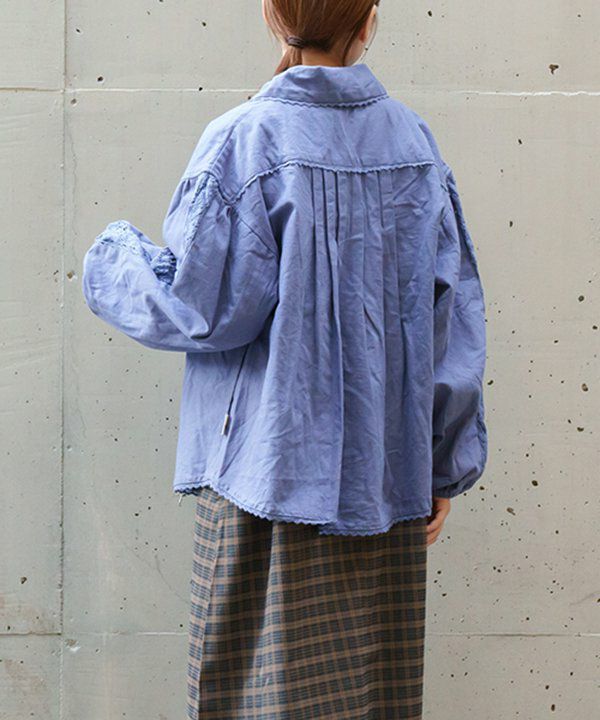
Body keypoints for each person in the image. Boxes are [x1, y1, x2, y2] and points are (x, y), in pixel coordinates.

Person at [81, 1, 488, 717]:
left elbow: (204, 309)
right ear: (368, 22)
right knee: (374, 693)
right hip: (387, 484)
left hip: (265, 482)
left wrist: (112, 259)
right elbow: (448, 323)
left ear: (272, 17)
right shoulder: (414, 143)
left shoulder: (244, 139)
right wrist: (443, 463)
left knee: (250, 693)